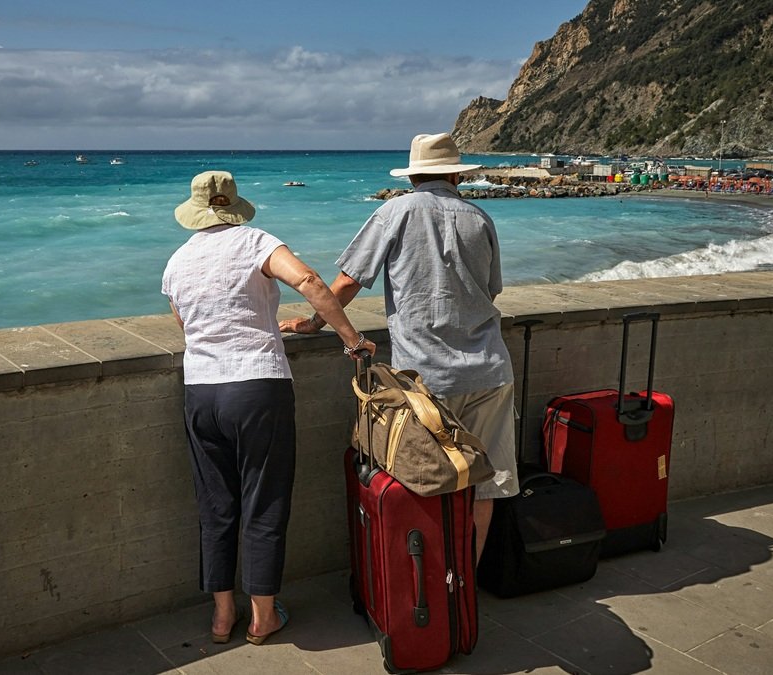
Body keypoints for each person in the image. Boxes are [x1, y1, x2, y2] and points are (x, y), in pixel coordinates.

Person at [162, 170, 376, 646]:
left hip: (201, 391)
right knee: (264, 500)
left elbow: (186, 325)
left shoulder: (177, 262)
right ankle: (262, 616)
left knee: (215, 505)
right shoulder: (256, 242)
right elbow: (309, 280)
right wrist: (352, 339)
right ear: (234, 206)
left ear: (194, 212)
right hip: (257, 385)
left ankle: (222, 616)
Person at [280, 133, 518, 561]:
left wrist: (314, 322)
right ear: (457, 176)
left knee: (426, 482)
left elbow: (348, 281)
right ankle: (467, 582)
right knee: (486, 485)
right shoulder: (480, 218)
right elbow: (491, 291)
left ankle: (431, 584)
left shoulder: (395, 211)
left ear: (412, 177)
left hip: (426, 379)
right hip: (489, 370)